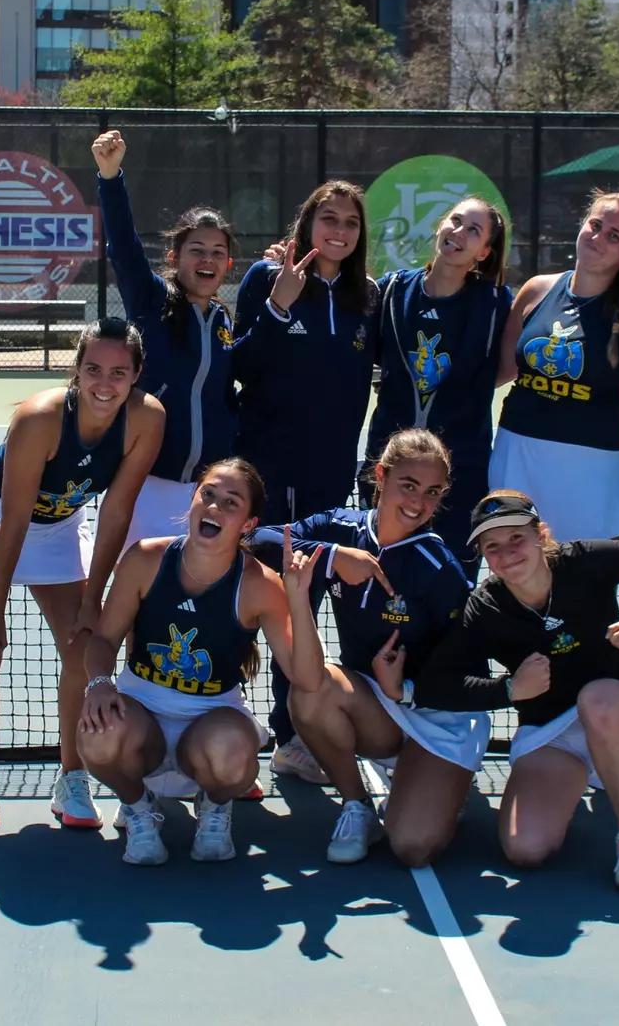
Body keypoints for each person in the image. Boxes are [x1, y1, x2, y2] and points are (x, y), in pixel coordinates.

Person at [0, 318, 165, 832]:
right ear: (76, 370)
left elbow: (116, 513)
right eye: (93, 369)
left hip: (59, 526)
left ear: (136, 375)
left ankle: (72, 778)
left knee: (84, 650)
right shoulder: (40, 418)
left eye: (119, 373)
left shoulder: (147, 419)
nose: (104, 383)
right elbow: (13, 520)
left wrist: (92, 599)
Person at [416, 491, 619, 891]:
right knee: (525, 849)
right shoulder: (485, 607)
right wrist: (508, 689)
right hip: (552, 733)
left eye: (517, 538)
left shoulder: (581, 560)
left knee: (598, 699)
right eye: (493, 546)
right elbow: (435, 686)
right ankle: (573, 784)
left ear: (541, 535)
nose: (507, 554)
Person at [251, 428, 484, 867]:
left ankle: (437, 781)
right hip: (374, 708)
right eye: (408, 485)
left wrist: (407, 688)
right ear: (381, 475)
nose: (418, 502)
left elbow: (470, 670)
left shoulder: (439, 569)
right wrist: (334, 555)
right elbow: (257, 540)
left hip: (435, 716)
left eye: (432, 492)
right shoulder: (343, 528)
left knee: (413, 847)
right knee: (310, 689)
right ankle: (357, 805)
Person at [76, 459, 319, 865]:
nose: (214, 507)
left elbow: (306, 678)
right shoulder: (145, 558)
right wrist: (99, 683)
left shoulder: (261, 585)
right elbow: (102, 639)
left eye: (231, 502)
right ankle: (139, 808)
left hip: (211, 721)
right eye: (208, 494)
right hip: (140, 716)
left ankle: (215, 805)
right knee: (97, 731)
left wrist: (297, 597)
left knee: (234, 752)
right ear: (192, 500)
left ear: (248, 523)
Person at [232, 180, 380, 785]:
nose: (339, 231)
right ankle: (229, 719)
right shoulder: (266, 279)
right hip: (267, 472)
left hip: (329, 476)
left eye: (350, 222)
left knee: (306, 600)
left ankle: (291, 735)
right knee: (248, 597)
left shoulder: (368, 297)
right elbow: (238, 365)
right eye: (329, 219)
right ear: (308, 224)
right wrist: (278, 308)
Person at [490, 190, 619, 540]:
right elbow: (500, 371)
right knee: (515, 569)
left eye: (614, 236)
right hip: (517, 457)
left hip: (592, 471)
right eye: (595, 225)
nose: (598, 238)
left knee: (588, 575)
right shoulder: (537, 289)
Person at [92, 130, 241, 548]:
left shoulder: (223, 323)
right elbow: (124, 246)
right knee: (132, 584)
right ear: (175, 258)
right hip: (145, 486)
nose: (207, 259)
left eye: (217, 252)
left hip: (205, 495)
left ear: (228, 264)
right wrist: (110, 177)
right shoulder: (151, 299)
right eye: (197, 250)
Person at [365, 198, 513, 567]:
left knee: (451, 580)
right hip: (390, 464)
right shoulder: (392, 291)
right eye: (456, 221)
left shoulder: (495, 303)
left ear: (484, 252)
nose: (459, 232)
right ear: (440, 226)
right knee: (383, 575)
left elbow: (508, 366)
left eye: (473, 230)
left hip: (461, 470)